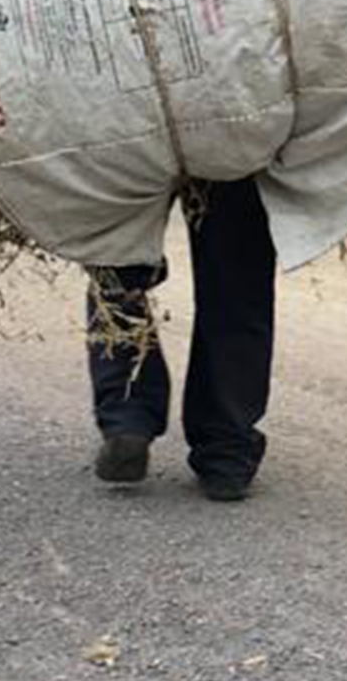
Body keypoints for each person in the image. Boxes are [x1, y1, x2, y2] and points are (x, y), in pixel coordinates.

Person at [85, 177, 276, 501]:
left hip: (129, 150)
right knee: (236, 272)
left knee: (118, 259)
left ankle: (127, 418)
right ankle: (226, 450)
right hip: (231, 151)